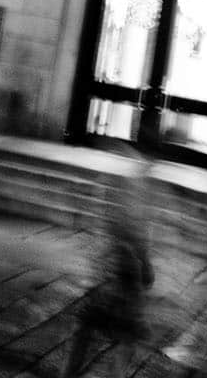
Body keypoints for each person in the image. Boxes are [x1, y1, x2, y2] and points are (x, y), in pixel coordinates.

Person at [61, 129, 158, 377]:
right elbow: (131, 228)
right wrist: (144, 264)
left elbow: (102, 218)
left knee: (89, 325)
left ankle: (70, 373)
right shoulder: (134, 180)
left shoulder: (117, 175)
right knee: (126, 334)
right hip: (123, 270)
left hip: (109, 267)